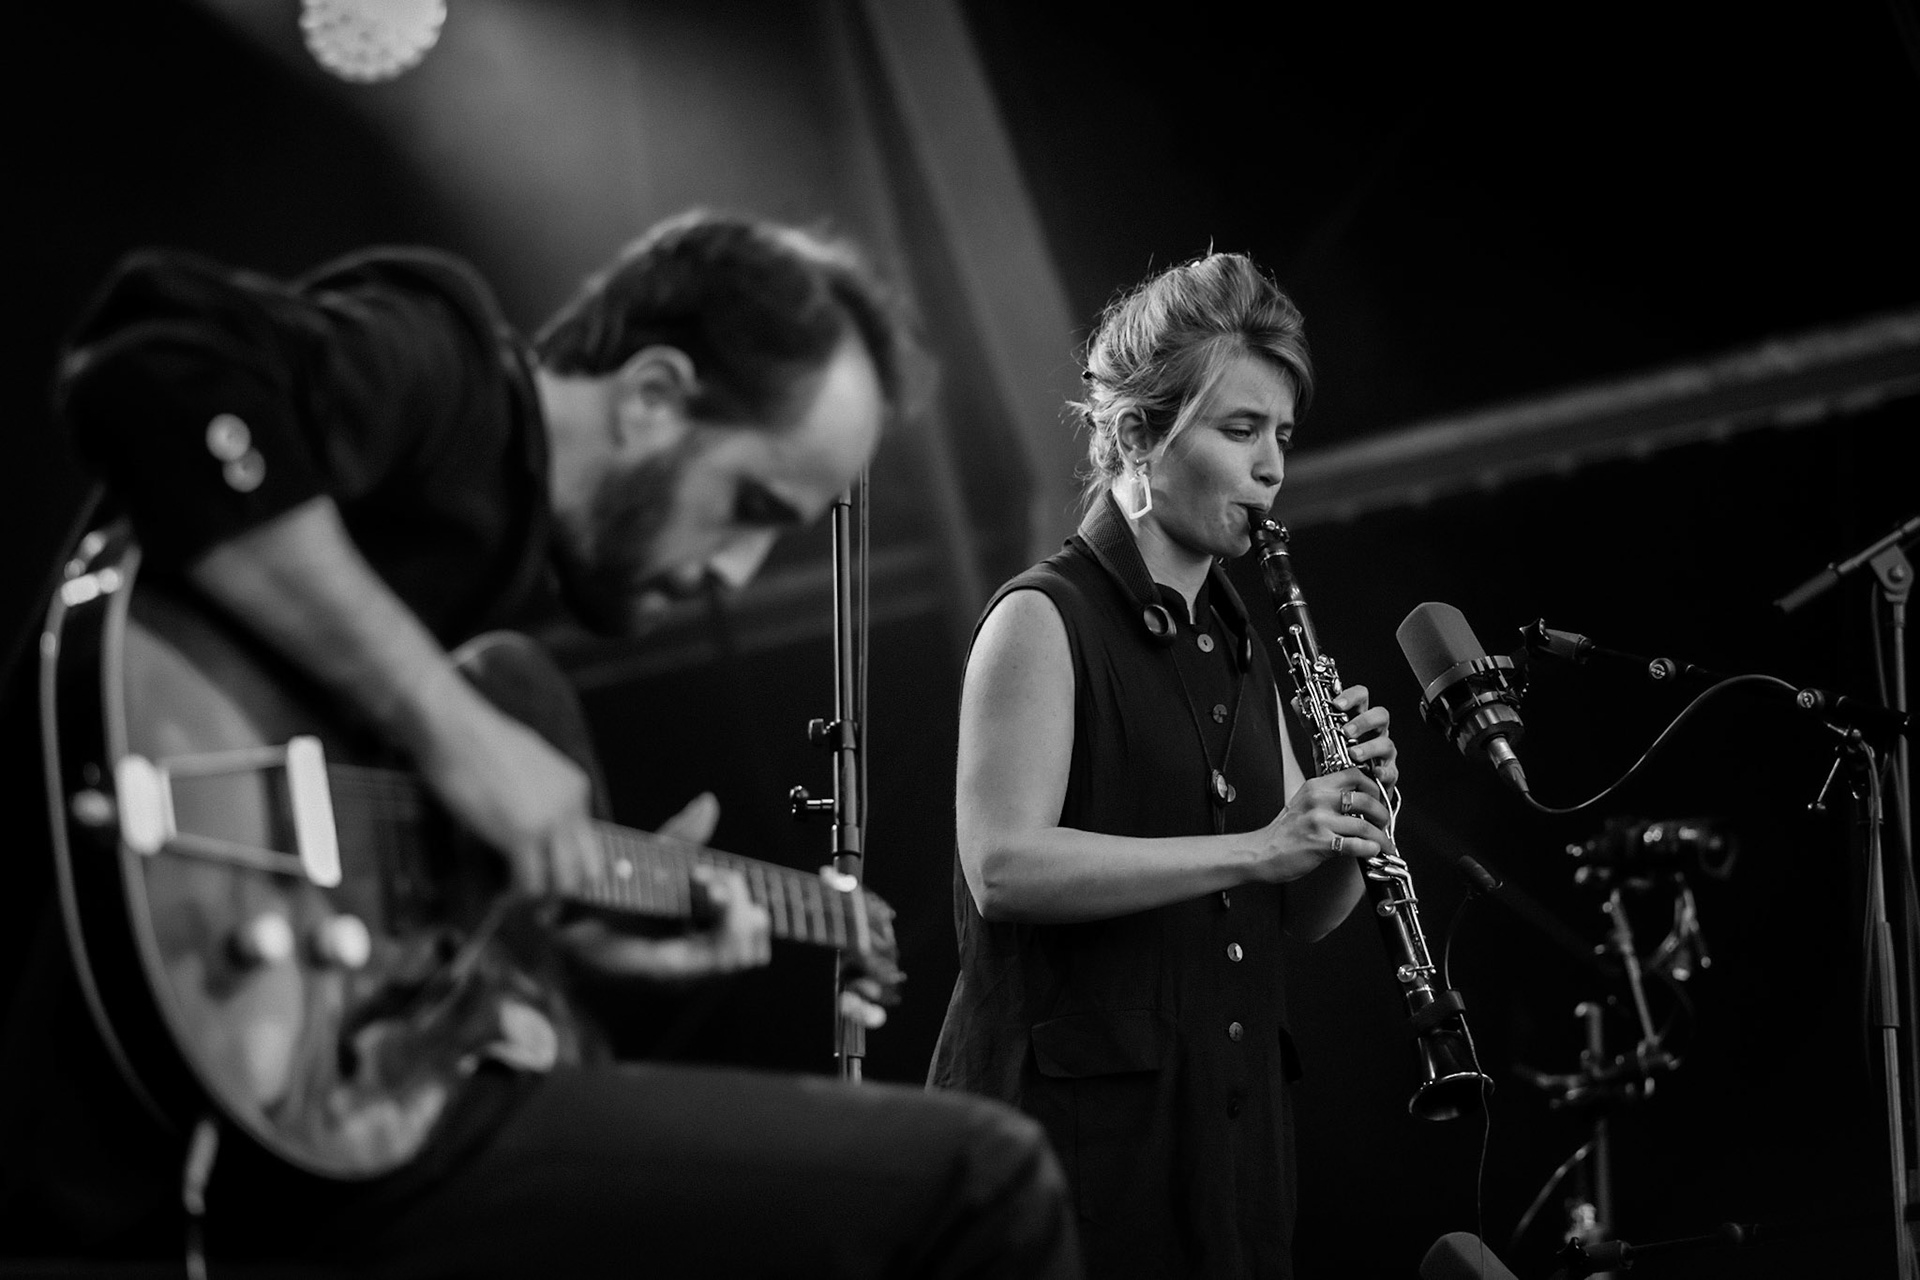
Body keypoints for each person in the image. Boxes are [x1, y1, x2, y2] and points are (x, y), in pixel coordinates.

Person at [0, 211, 1079, 1278]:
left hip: (245, 1120)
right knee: (983, 1176)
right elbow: (161, 361)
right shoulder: (453, 378)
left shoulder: (508, 597)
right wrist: (449, 722)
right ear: (651, 395)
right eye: (748, 504)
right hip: (139, 1112)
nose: (736, 573)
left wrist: (564, 945)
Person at [927, 252, 1398, 1278]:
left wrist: (1356, 821)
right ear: (1139, 434)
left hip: (1226, 1153)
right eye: (1240, 430)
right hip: (1072, 1160)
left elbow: (1302, 910)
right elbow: (1002, 867)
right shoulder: (1041, 617)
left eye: (1281, 435)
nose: (1272, 468)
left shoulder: (1240, 644)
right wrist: (1260, 845)